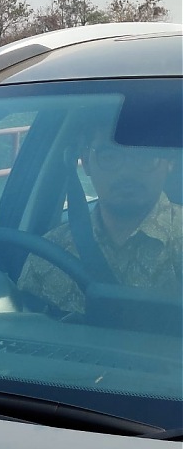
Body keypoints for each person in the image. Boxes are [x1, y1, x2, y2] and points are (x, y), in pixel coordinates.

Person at [18, 121, 182, 315]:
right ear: (86, 161)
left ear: (169, 159)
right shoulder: (47, 256)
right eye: (110, 156)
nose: (127, 172)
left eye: (144, 155)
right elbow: (23, 337)